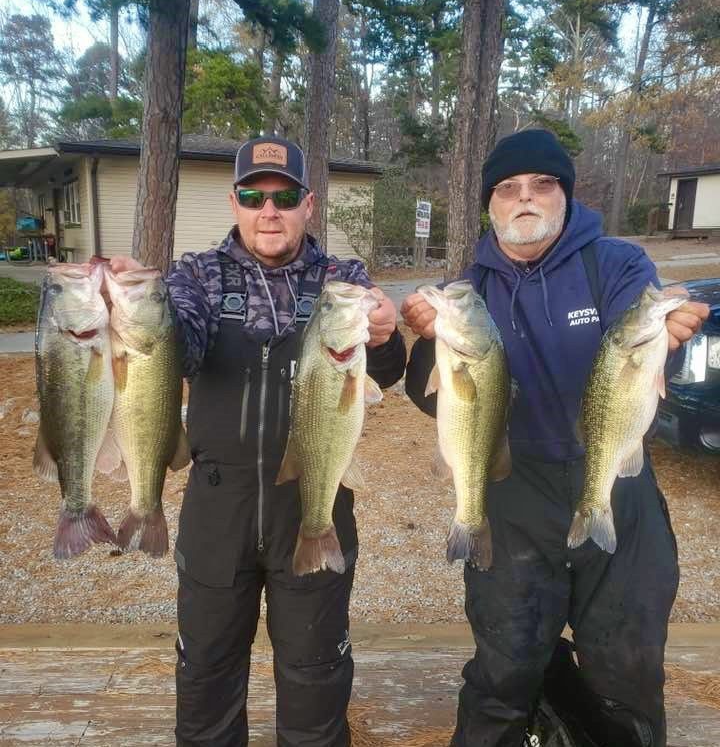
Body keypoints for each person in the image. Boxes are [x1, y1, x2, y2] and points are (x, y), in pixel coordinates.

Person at [401, 129, 709, 747]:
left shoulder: (615, 265)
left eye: (542, 185)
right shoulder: (470, 292)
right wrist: (422, 342)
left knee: (626, 662)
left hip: (613, 477)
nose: (525, 199)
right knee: (507, 659)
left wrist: (669, 332)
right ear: (490, 204)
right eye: (508, 188)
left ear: (565, 195)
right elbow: (431, 398)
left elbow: (647, 353)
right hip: (515, 490)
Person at [113, 135, 406, 747]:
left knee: (316, 674)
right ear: (235, 203)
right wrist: (134, 313)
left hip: (315, 500)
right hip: (218, 507)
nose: (268, 210)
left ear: (308, 205)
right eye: (254, 196)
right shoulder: (195, 275)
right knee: (207, 674)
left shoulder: (341, 280)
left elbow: (382, 367)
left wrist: (383, 333)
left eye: (284, 197)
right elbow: (180, 346)